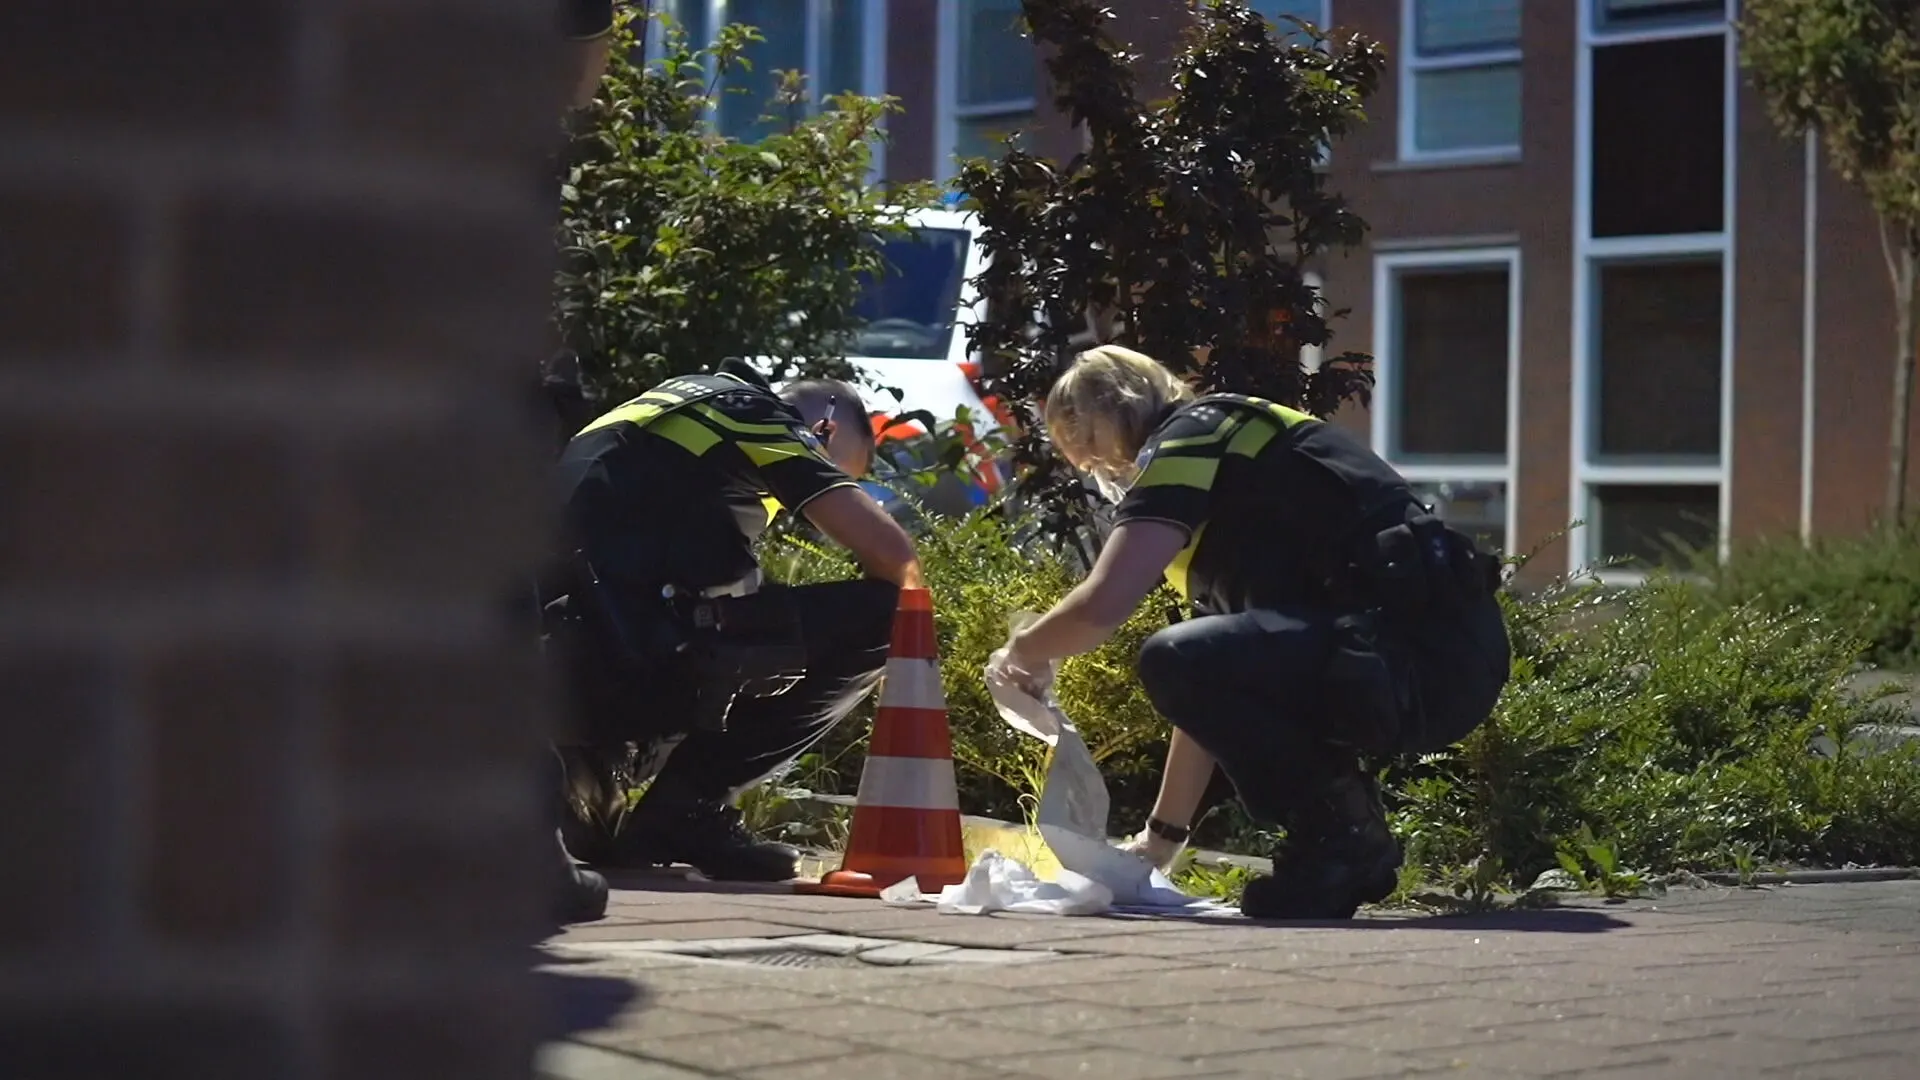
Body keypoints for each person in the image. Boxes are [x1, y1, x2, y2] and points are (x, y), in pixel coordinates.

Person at [989, 346, 1510, 920]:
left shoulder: (1193, 435)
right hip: (1431, 657)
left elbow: (1105, 603)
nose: (1099, 470)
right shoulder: (1235, 462)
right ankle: (1340, 835)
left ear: (1115, 410)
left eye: (1089, 446)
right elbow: (1211, 684)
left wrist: (1022, 652)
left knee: (1177, 657)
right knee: (1193, 659)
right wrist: (1159, 843)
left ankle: (1342, 838)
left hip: (1419, 658)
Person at [545, 362, 923, 882]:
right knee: (891, 617)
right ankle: (688, 810)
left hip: (563, 676)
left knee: (751, 620)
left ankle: (627, 799)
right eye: (839, 469)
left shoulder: (658, 415)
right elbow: (896, 560)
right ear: (824, 431)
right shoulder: (753, 414)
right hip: (618, 664)